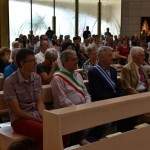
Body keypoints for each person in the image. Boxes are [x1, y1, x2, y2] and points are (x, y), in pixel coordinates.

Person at [3, 49, 45, 150]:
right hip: (20, 120)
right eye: (32, 61)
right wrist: (39, 120)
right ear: (22, 63)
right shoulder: (10, 82)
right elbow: (17, 111)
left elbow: (39, 101)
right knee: (46, 131)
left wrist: (44, 116)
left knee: (61, 130)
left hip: (37, 116)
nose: (36, 63)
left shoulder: (36, 77)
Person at [51, 50, 91, 146]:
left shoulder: (78, 75)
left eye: (76, 59)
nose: (76, 62)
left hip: (83, 109)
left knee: (103, 122)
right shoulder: (57, 78)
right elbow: (62, 101)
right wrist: (78, 110)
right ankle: (73, 145)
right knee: (82, 127)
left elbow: (86, 93)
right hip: (68, 112)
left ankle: (88, 142)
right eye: (73, 60)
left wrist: (88, 105)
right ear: (64, 62)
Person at [88, 46, 123, 139]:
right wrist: (114, 101)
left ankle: (122, 137)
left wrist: (120, 99)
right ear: (102, 57)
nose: (112, 57)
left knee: (130, 112)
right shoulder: (93, 71)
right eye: (109, 55)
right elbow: (97, 93)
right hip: (102, 103)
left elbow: (118, 88)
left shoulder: (113, 70)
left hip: (115, 101)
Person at [120, 46, 149, 131]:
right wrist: (141, 97)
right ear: (134, 57)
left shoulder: (142, 67)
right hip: (135, 96)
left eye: (144, 55)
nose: (144, 57)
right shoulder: (126, 68)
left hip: (145, 95)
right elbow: (127, 88)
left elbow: (146, 83)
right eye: (141, 55)